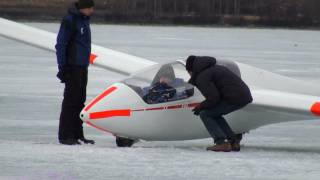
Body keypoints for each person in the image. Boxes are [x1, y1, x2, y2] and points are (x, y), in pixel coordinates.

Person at [186, 55, 253, 152]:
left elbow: (213, 98)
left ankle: (221, 143)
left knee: (205, 114)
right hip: (242, 96)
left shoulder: (202, 77)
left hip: (234, 98)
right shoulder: (215, 68)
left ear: (191, 70)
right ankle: (233, 141)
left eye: (188, 71)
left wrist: (201, 106)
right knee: (214, 113)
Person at [55, 0, 95, 145]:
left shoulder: (84, 20)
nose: (92, 11)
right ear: (83, 8)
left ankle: (78, 134)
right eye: (90, 8)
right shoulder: (70, 20)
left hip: (82, 67)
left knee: (80, 100)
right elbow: (61, 44)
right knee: (70, 102)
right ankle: (65, 136)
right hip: (72, 67)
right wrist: (63, 67)